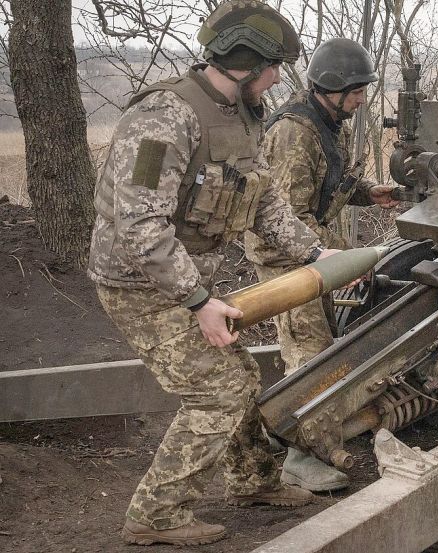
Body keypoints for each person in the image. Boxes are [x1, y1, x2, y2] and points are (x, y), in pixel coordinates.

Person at [87, 1, 341, 545]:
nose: (278, 77)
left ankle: (252, 479)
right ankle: (156, 515)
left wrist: (315, 254)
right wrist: (200, 301)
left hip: (179, 279)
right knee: (218, 392)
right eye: (274, 65)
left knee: (241, 376)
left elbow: (266, 200)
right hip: (138, 284)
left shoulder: (242, 115)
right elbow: (140, 225)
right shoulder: (164, 118)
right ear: (245, 62)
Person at [244, 37, 398, 492]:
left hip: (314, 255)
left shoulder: (331, 123)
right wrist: (346, 258)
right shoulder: (295, 131)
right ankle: (302, 457)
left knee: (323, 345)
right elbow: (286, 218)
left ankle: (283, 434)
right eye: (355, 89)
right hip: (286, 260)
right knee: (310, 355)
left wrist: (369, 192)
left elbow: (332, 183)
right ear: (330, 87)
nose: (361, 97)